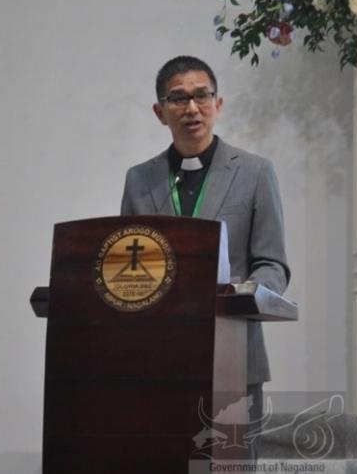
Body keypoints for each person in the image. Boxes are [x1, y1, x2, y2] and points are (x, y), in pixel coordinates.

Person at [120, 55, 290, 444]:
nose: (191, 108)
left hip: (234, 356)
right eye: (178, 99)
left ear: (219, 104)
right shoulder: (139, 180)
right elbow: (129, 270)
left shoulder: (255, 172)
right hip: (160, 360)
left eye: (201, 95)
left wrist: (244, 293)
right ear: (160, 112)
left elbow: (273, 264)